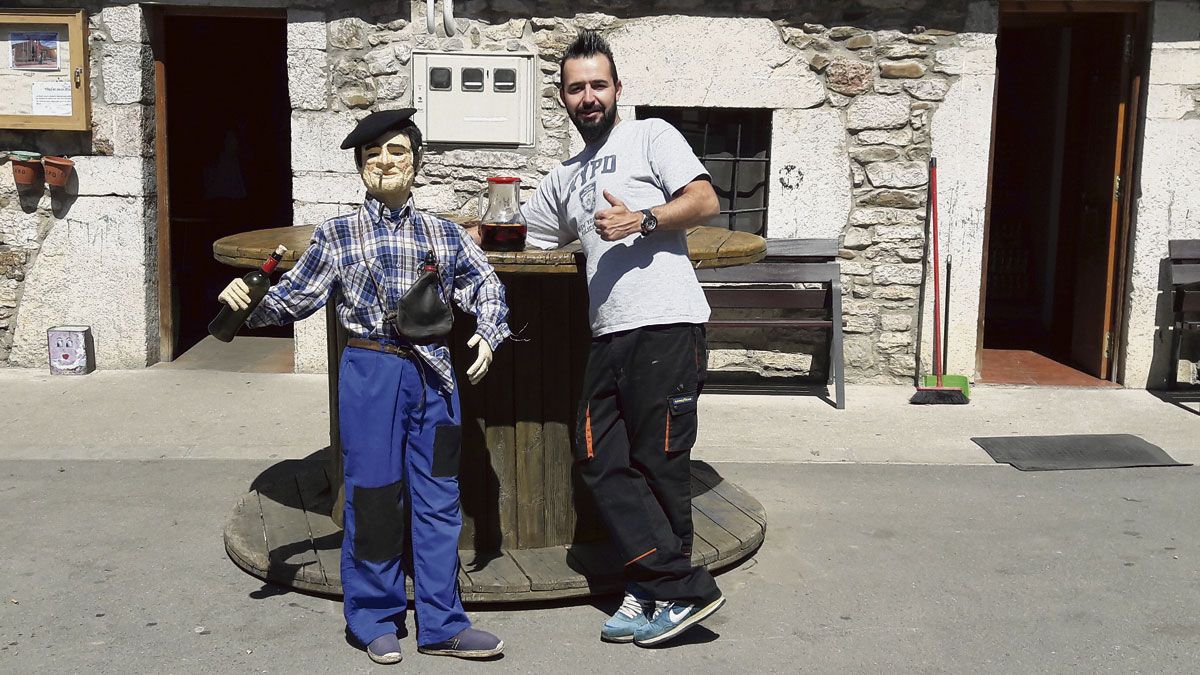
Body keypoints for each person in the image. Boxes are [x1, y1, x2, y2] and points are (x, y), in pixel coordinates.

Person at [217, 109, 512, 665]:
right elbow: (294, 299)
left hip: (436, 374)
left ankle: (443, 623)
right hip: (372, 371)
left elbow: (488, 286)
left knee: (440, 501)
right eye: (372, 154)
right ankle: (374, 617)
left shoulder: (446, 234)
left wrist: (490, 334)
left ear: (417, 162)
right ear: (359, 166)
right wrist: (249, 303)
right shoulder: (336, 235)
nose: (384, 162)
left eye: (397, 151)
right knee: (374, 497)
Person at [520, 30, 725, 647]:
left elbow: (706, 199)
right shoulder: (564, 176)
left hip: (666, 321)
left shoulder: (651, 136)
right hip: (608, 334)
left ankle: (665, 593)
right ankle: (664, 583)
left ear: (616, 89)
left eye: (598, 85)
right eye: (576, 87)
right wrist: (473, 231)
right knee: (599, 457)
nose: (589, 97)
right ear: (562, 97)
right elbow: (526, 235)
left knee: (659, 462)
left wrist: (644, 217)